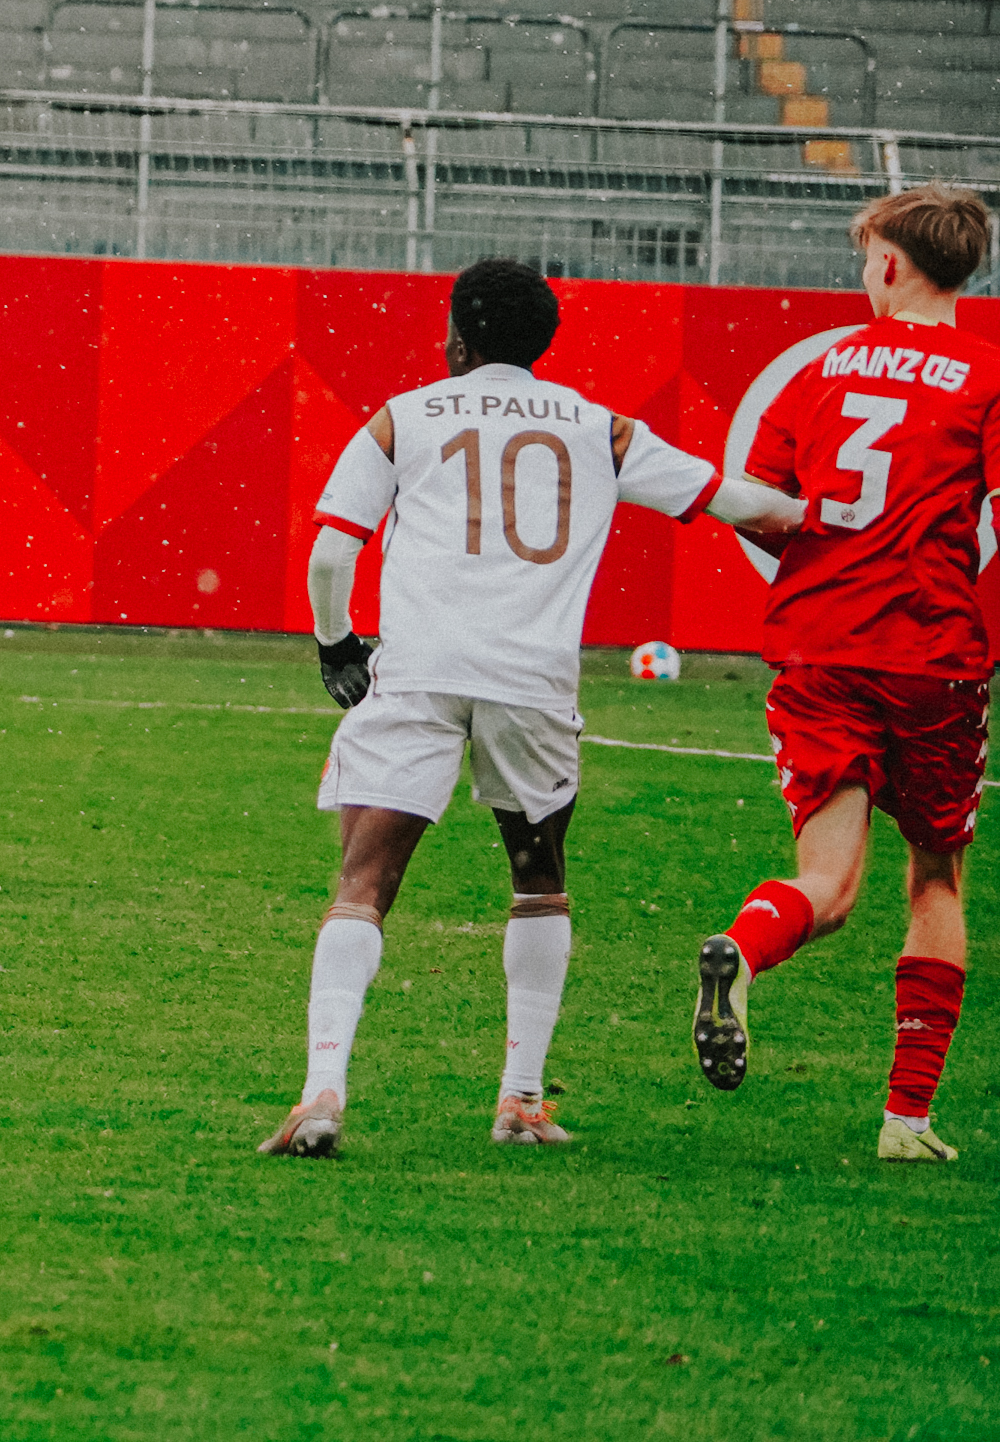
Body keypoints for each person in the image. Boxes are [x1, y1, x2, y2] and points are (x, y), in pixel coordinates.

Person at [256, 259, 801, 1159]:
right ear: (544, 342)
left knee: (363, 884)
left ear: (459, 337)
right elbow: (737, 503)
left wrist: (337, 646)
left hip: (421, 672)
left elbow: (329, 554)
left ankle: (321, 1092)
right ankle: (519, 1102)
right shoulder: (600, 428)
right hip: (532, 682)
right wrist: (834, 517)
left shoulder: (407, 415)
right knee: (537, 879)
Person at [694, 185, 1000, 1162]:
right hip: (934, 657)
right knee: (937, 879)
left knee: (826, 883)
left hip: (822, 649)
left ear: (890, 264)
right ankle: (906, 1120)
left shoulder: (821, 371)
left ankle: (743, 951)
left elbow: (763, 506)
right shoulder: (986, 375)